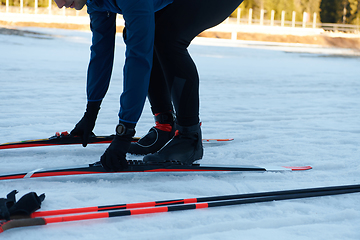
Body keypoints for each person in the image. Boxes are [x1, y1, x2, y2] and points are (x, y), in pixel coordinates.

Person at [54, 0, 243, 171]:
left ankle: (189, 138)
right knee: (145, 33)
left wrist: (125, 132)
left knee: (167, 36)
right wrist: (91, 112)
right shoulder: (94, 2)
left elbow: (138, 59)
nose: (59, 4)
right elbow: (100, 52)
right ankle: (165, 126)